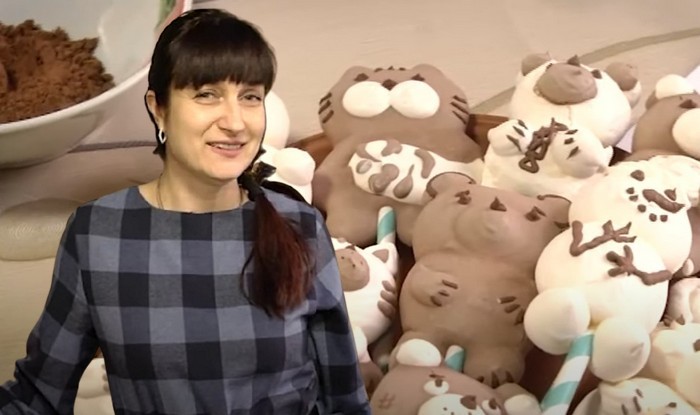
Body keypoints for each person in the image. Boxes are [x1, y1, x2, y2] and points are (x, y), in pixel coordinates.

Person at [0, 8, 370, 415]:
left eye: (250, 96)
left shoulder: (298, 224)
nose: (235, 123)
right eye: (207, 94)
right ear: (158, 108)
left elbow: (345, 402)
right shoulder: (99, 232)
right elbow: (38, 397)